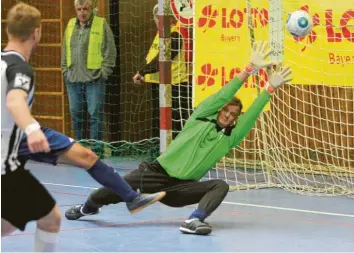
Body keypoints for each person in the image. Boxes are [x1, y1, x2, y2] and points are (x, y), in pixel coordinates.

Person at [65, 41, 292, 235]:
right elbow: (224, 94)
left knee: (220, 185)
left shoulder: (229, 139)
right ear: (218, 110)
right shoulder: (200, 116)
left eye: (233, 115)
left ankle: (194, 220)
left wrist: (269, 89)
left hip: (180, 188)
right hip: (155, 173)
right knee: (109, 192)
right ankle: (88, 208)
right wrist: (249, 69)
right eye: (226, 111)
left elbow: (251, 115)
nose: (228, 115)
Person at [1, 3, 61, 251]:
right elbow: (15, 100)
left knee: (11, 220)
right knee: (51, 218)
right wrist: (32, 128)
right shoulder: (19, 68)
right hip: (4, 167)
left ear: (7, 31)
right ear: (37, 33)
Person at [61, 0, 116, 154]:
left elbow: (110, 51)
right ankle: (79, 149)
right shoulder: (71, 24)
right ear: (75, 9)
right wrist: (65, 70)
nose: (82, 13)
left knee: (95, 115)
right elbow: (64, 49)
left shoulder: (101, 24)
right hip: (73, 79)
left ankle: (96, 151)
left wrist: (104, 73)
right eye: (79, 9)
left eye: (85, 9)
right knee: (76, 115)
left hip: (95, 79)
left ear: (91, 8)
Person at [132, 4, 192, 139]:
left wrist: (142, 72)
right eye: (157, 18)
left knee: (174, 122)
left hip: (175, 85)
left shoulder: (175, 34)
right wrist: (142, 72)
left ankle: (174, 154)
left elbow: (163, 58)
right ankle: (159, 152)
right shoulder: (160, 35)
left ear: (171, 19)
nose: (159, 20)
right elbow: (151, 57)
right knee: (159, 120)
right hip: (159, 84)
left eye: (163, 17)